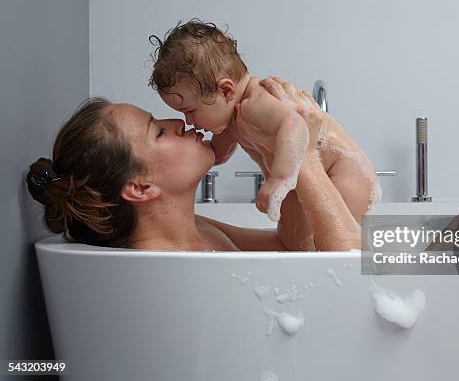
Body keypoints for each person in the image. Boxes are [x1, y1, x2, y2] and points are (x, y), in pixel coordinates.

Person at [26, 78, 360, 252]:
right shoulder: (164, 263)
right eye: (157, 130)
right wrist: (306, 155)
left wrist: (273, 155)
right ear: (140, 187)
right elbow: (358, 274)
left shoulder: (197, 232)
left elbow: (287, 248)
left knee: (406, 252)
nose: (178, 123)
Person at [148, 19, 380, 228]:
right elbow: (218, 153)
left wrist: (278, 179)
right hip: (329, 177)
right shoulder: (230, 119)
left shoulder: (255, 101)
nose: (188, 121)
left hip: (345, 173)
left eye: (190, 111)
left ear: (226, 90)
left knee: (337, 249)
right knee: (313, 248)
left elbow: (294, 125)